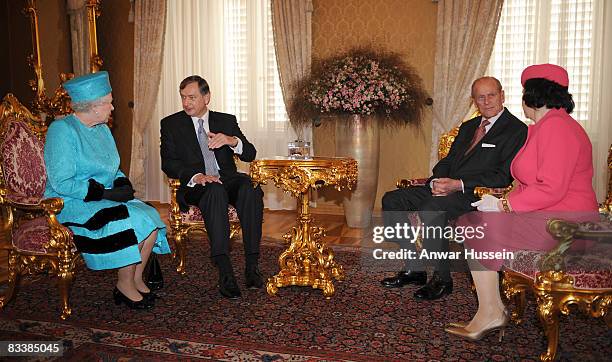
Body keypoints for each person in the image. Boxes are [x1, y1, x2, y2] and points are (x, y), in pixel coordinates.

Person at [446, 64, 598, 341]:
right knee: (472, 223)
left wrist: (504, 206)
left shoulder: (557, 128)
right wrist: (502, 201)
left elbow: (551, 188)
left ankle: (491, 312)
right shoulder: (544, 127)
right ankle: (490, 309)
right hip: (549, 215)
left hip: (566, 224)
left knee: (474, 226)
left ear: (533, 95)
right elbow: (533, 184)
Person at [380, 77, 528, 301]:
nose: (486, 101)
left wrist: (457, 185)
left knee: (432, 207)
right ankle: (415, 268)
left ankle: (442, 279)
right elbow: (448, 161)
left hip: (478, 195)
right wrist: (438, 181)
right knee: (391, 200)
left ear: (502, 95)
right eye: (480, 97)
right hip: (447, 187)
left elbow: (502, 176)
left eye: (491, 95)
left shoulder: (516, 129)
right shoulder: (469, 126)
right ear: (474, 100)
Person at [44, 71, 171, 310]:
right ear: (92, 106)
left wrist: (122, 183)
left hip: (102, 197)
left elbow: (113, 169)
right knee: (131, 221)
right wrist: (104, 194)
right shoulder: (62, 130)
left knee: (152, 219)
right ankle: (124, 285)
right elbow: (61, 182)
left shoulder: (101, 128)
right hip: (72, 201)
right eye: (108, 102)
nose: (112, 107)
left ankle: (135, 278)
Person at [160, 75, 264, 300]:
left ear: (206, 97)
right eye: (183, 97)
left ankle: (252, 266)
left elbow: (250, 154)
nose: (186, 102)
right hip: (197, 184)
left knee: (251, 187)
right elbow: (168, 163)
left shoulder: (225, 120)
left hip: (225, 178)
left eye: (192, 97)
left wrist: (231, 141)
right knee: (214, 191)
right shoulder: (171, 124)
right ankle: (225, 272)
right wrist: (197, 176)